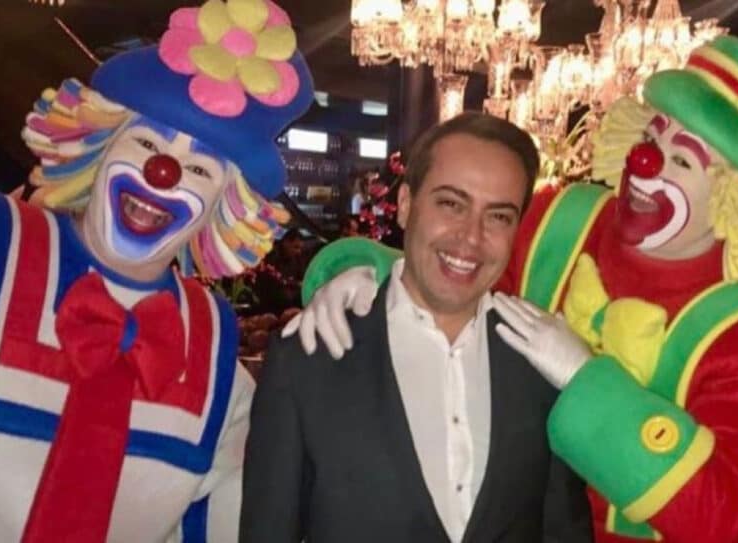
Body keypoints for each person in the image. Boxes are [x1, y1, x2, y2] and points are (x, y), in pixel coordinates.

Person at [289, 36, 738, 543]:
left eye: (681, 161)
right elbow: (460, 281)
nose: (644, 164)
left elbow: (718, 514)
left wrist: (584, 377)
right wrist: (367, 274)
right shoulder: (562, 219)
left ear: (733, 197)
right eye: (650, 140)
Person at [0, 0, 313, 540]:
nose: (162, 172)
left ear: (223, 209)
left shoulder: (214, 363)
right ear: (96, 146)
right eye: (146, 143)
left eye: (198, 169)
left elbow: (249, 513)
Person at [241, 112, 593, 543]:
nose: (471, 237)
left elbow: (564, 530)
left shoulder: (541, 360)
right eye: (451, 204)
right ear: (406, 205)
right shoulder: (306, 360)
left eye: (498, 216)